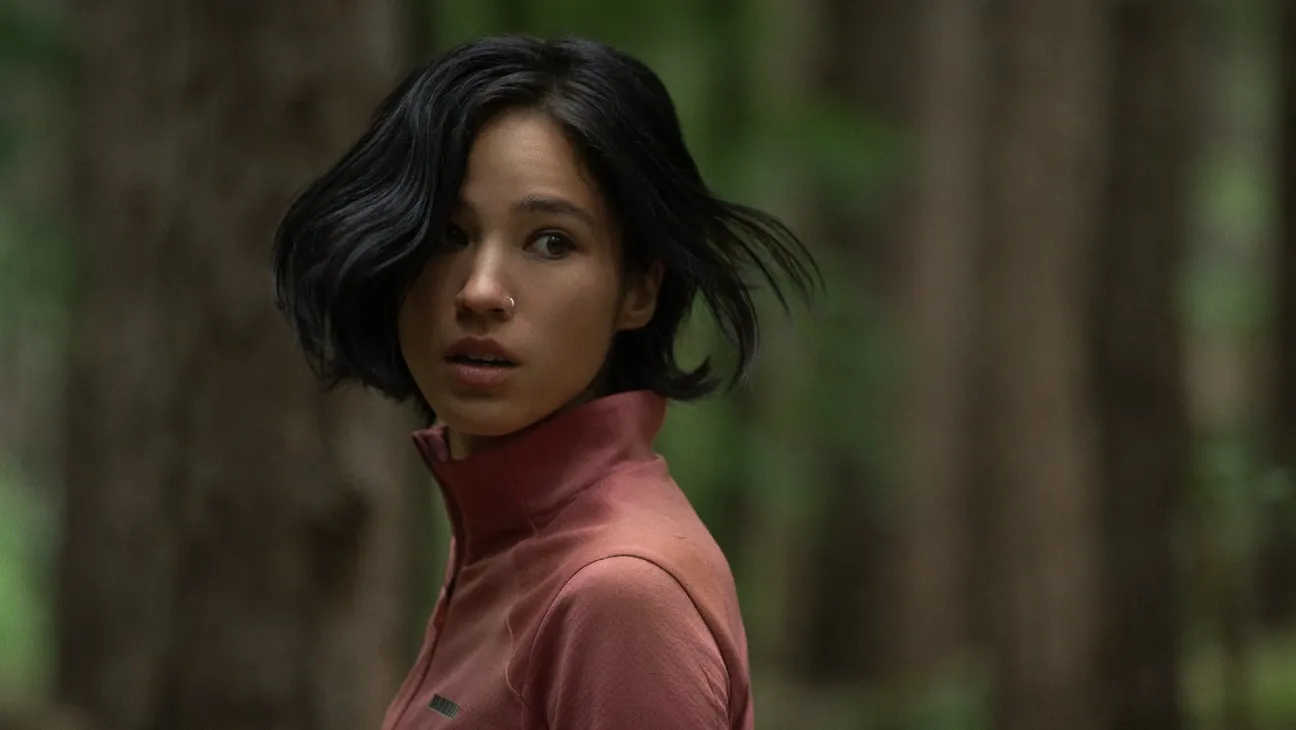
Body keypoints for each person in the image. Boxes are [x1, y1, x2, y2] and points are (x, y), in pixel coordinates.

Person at [272, 34, 817, 730]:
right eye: (448, 234)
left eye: (551, 242)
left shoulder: (618, 595)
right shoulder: (510, 539)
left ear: (638, 291)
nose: (480, 290)